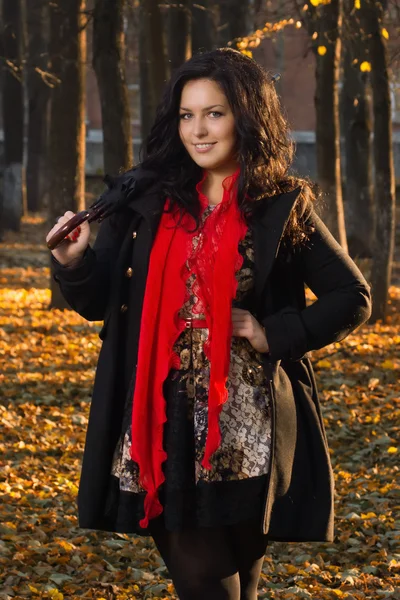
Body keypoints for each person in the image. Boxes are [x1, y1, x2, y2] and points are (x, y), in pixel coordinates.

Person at [46, 48, 372, 600]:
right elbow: (102, 301)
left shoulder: (278, 205)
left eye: (214, 113)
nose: (198, 130)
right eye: (186, 114)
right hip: (160, 426)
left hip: (246, 433)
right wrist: (74, 263)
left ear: (245, 116)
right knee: (204, 584)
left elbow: (352, 295)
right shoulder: (145, 198)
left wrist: (275, 332)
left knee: (240, 584)